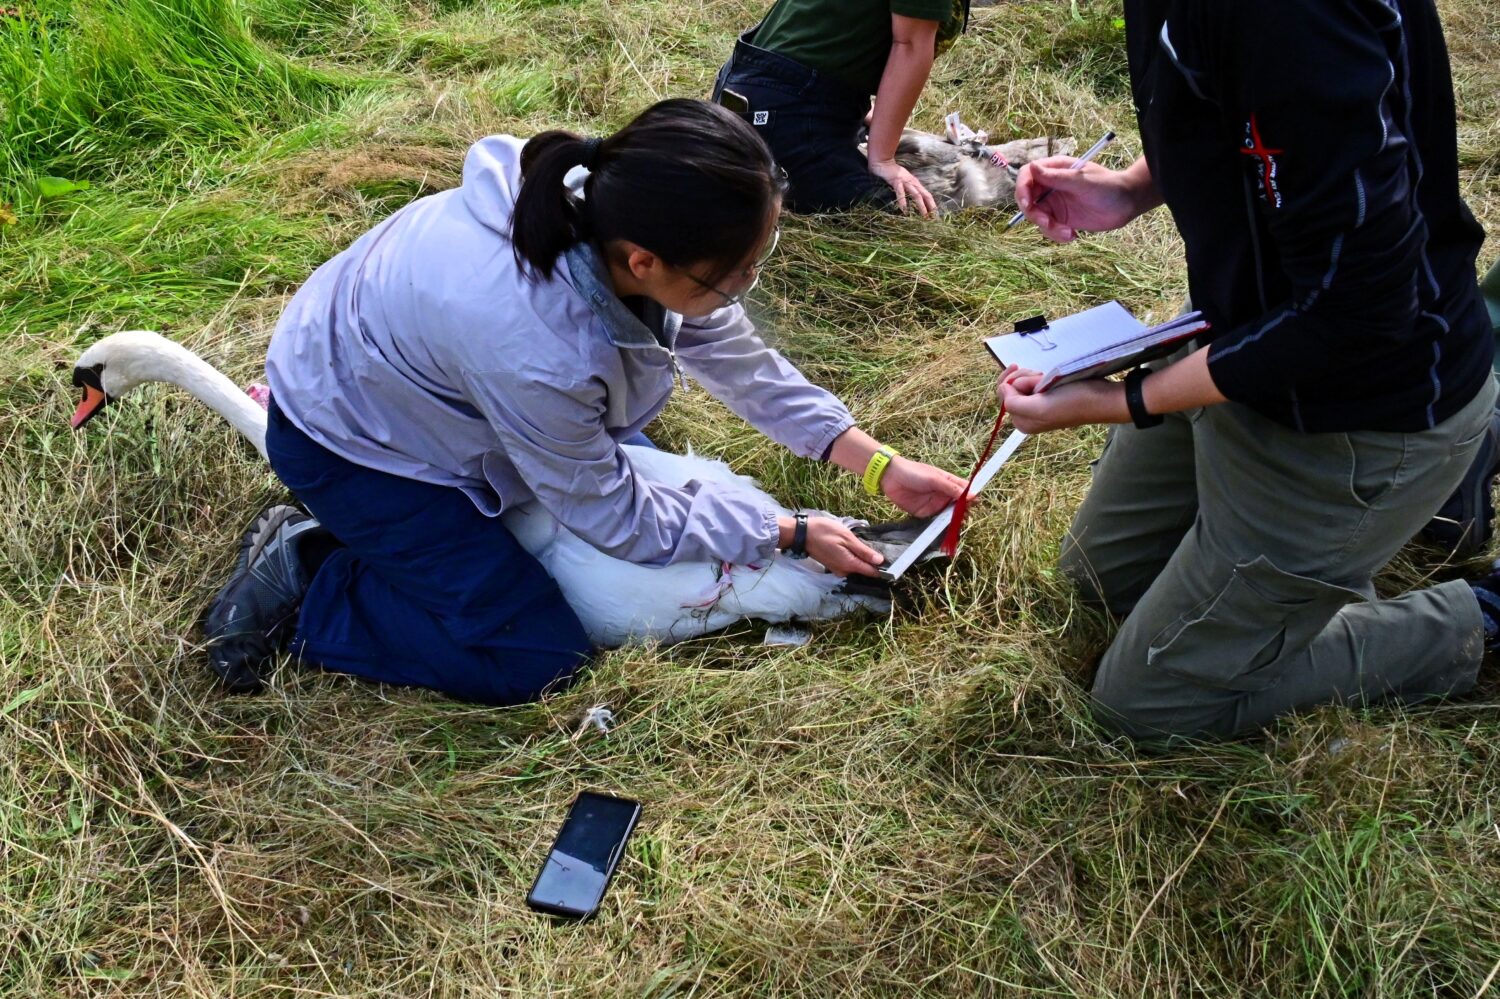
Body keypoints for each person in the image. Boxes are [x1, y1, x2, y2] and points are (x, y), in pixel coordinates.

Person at [202, 99, 966, 704]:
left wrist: (874, 463)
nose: (747, 288)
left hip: (420, 395)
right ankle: (315, 576)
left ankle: (402, 547)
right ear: (645, 260)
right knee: (535, 653)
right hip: (353, 445)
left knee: (654, 494)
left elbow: (727, 349)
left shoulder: (607, 201)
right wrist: (789, 533)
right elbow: (617, 516)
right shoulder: (538, 346)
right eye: (737, 273)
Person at [998, 0, 1499, 739]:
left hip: (1356, 415)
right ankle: (1295, 575)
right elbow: (1235, 108)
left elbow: (1356, 310)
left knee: (1144, 708)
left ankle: (1479, 614)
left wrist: (1124, 399)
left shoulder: (1293, 18)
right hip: (1247, 349)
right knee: (1095, 588)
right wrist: (1135, 187)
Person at [711, 0, 969, 215]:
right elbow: (910, 44)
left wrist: (861, 114)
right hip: (786, 106)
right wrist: (883, 159)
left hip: (750, 85)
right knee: (890, 210)